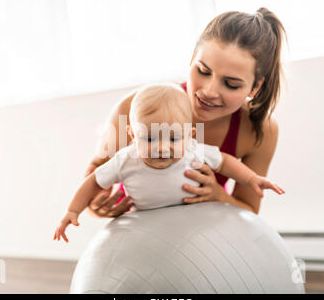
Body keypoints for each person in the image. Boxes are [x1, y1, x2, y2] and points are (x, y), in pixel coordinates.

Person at [84, 8, 286, 218]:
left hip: (204, 230)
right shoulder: (135, 107)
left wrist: (217, 195)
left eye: (231, 84)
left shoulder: (259, 130)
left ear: (255, 87)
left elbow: (250, 211)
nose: (209, 91)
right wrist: (97, 206)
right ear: (192, 60)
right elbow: (95, 179)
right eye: (203, 71)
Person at [54, 83, 284, 242]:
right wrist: (73, 210)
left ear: (189, 134)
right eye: (150, 138)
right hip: (144, 225)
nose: (162, 147)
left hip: (196, 224)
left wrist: (252, 178)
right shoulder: (126, 158)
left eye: (174, 138)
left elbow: (225, 162)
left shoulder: (192, 150)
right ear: (133, 136)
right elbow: (94, 181)